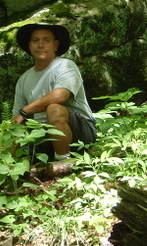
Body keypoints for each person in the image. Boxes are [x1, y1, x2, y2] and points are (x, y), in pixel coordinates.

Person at [12, 23, 97, 161]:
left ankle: (63, 161)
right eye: (35, 40)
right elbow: (17, 121)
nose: (40, 45)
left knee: (54, 108)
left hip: (80, 134)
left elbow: (60, 95)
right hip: (43, 138)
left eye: (46, 40)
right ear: (29, 44)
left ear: (55, 44)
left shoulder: (65, 65)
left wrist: (26, 110)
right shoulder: (23, 80)